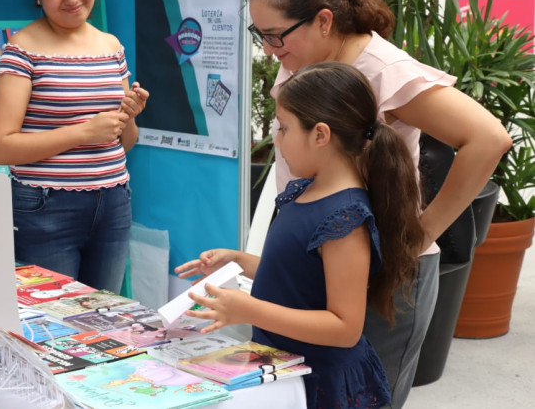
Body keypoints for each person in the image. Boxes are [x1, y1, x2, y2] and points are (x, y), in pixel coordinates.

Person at [244, 0, 511, 407]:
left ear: (323, 20)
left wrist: (418, 235)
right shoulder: (300, 61)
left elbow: (488, 139)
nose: (269, 49)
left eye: (275, 35)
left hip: (380, 278)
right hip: (317, 266)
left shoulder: (382, 70)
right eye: (260, 35)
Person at [177, 61, 424, 408]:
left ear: (320, 135)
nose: (277, 140)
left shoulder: (346, 219)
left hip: (322, 384)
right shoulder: (306, 191)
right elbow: (297, 276)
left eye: (284, 128)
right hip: (282, 370)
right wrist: (237, 261)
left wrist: (250, 310)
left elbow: (345, 327)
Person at [0, 0, 149, 293]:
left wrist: (130, 114)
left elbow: (125, 143)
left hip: (113, 202)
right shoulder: (22, 50)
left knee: (105, 315)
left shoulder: (111, 47)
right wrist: (84, 132)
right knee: (51, 319)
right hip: (45, 208)